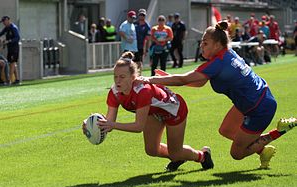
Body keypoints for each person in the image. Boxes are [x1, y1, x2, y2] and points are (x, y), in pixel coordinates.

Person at [139, 21, 297, 169]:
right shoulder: (226, 53)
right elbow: (198, 81)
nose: (202, 46)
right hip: (255, 99)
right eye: (202, 42)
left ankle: (279, 130)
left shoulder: (218, 63)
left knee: (237, 153)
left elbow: (184, 79)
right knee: (226, 130)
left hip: (259, 107)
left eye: (205, 43)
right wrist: (165, 79)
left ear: (217, 44)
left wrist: (151, 79)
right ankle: (263, 151)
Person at [85, 51, 214, 172]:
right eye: (116, 77)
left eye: (122, 77)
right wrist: (92, 124)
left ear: (133, 77)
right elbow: (110, 123)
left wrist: (111, 124)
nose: (118, 81)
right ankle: (178, 158)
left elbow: (138, 127)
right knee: (152, 150)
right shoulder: (114, 93)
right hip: (153, 113)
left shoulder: (142, 91)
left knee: (176, 152)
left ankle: (202, 155)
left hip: (175, 111)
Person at [0, 16, 20, 84]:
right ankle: (17, 79)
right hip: (10, 48)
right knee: (12, 63)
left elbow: (17, 38)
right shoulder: (7, 28)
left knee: (12, 63)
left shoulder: (13, 28)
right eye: (3, 21)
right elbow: (0, 34)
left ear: (8, 20)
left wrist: (9, 41)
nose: (4, 23)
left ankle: (9, 80)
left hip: (14, 48)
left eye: (4, 21)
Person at [134, 8, 151, 73]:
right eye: (141, 15)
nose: (142, 16)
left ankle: (139, 74)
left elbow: (148, 38)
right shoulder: (134, 24)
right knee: (132, 62)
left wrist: (146, 49)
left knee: (139, 61)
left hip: (141, 47)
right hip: (133, 46)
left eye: (143, 15)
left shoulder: (147, 26)